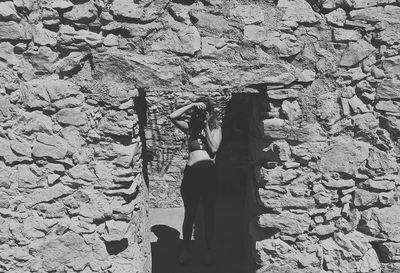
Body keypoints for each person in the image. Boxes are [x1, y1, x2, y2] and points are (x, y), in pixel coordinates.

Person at [168, 100, 222, 265]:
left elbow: (213, 150)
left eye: (204, 113)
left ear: (210, 114)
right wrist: (192, 105)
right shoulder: (190, 128)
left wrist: (206, 126)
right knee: (190, 214)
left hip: (208, 175)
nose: (200, 116)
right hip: (192, 175)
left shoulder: (215, 129)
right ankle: (186, 249)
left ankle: (209, 251)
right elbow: (172, 116)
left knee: (208, 215)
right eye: (198, 114)